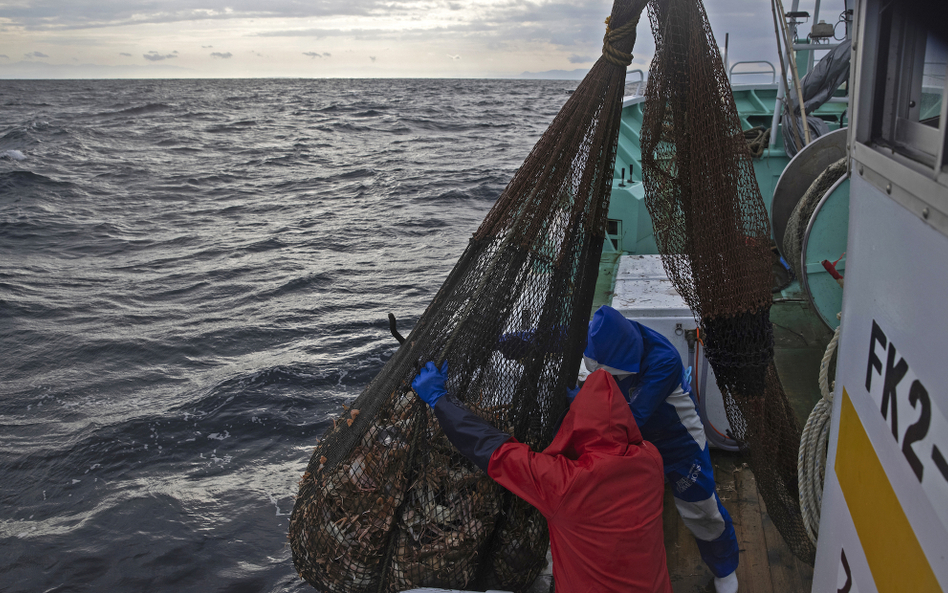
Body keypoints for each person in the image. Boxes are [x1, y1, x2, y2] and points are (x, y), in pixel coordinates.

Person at [412, 362, 672, 593]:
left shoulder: (564, 484)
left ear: (577, 425)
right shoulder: (651, 459)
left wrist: (440, 400)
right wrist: (590, 408)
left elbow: (495, 451)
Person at [582, 305, 739, 593]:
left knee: (701, 509)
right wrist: (524, 340)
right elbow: (564, 336)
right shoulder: (608, 335)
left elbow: (631, 419)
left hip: (679, 443)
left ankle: (725, 569)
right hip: (636, 442)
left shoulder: (663, 361)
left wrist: (576, 400)